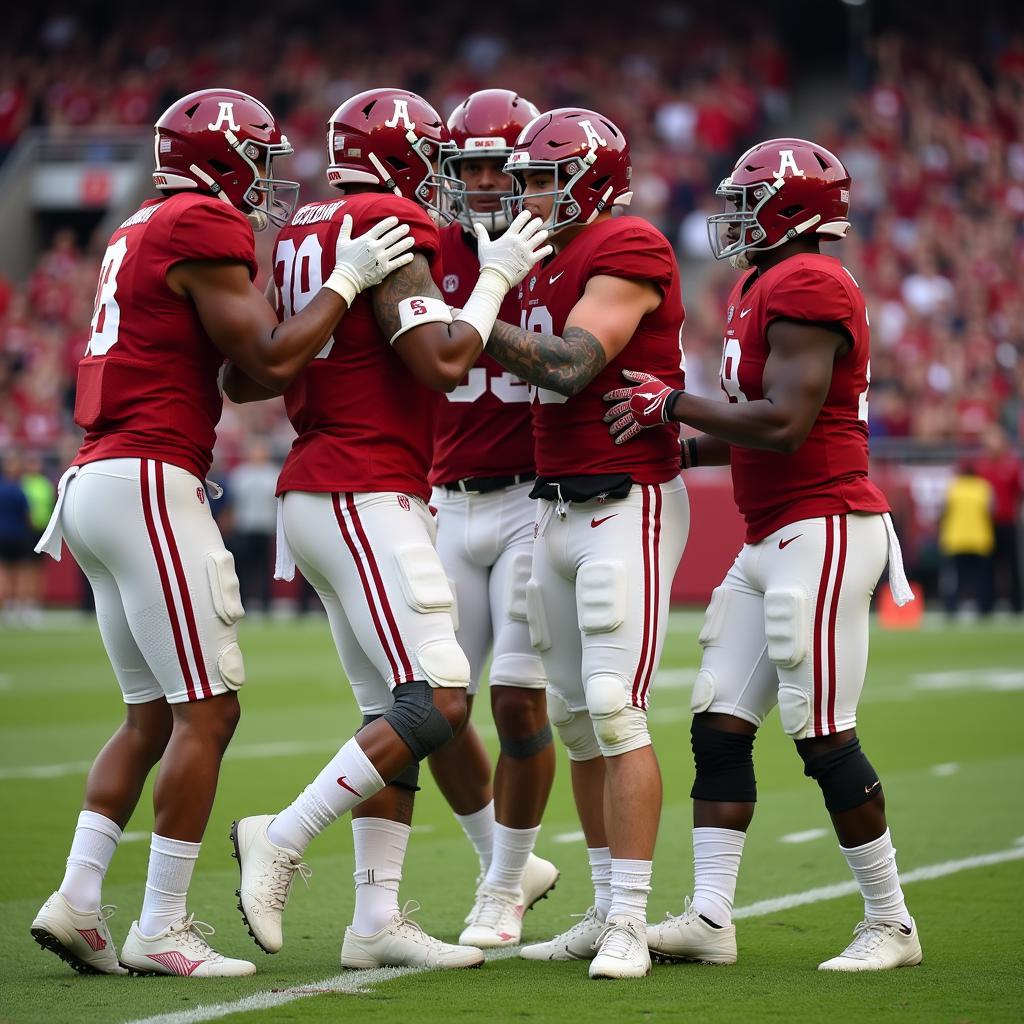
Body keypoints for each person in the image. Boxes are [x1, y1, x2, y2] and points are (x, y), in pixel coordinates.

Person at [29, 87, 415, 978]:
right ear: (224, 157)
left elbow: (242, 368)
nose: (268, 180)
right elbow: (272, 360)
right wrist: (346, 283)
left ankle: (79, 899)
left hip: (97, 478)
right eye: (260, 158)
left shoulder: (142, 223)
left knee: (152, 714)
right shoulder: (201, 222)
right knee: (210, 708)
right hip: (148, 479)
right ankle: (161, 923)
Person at [227, 87, 552, 971]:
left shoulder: (303, 228)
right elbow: (444, 362)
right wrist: (493, 278)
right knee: (441, 697)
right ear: (409, 159)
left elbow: (251, 371)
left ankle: (376, 922)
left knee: (393, 713)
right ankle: (282, 835)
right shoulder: (385, 216)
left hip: (329, 483)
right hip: (361, 486)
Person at [603, 137, 922, 972]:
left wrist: (672, 404)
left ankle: (891, 921)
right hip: (770, 531)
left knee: (822, 733)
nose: (735, 220)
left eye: (749, 202)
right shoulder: (760, 283)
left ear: (791, 210)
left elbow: (784, 422)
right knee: (718, 723)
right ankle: (711, 917)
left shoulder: (807, 281)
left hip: (823, 526)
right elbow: (765, 430)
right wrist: (681, 445)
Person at [480, 108, 689, 979]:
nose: (530, 195)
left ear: (593, 180)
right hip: (554, 503)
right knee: (572, 719)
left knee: (614, 705)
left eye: (543, 178)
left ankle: (633, 921)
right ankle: (604, 903)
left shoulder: (628, 243)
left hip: (625, 499)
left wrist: (461, 313)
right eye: (524, 179)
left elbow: (570, 364)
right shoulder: (545, 257)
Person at [425, 88, 559, 949]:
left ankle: (505, 883)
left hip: (527, 500)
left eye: (494, 167)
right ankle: (503, 861)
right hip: (445, 495)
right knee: (430, 708)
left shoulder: (560, 251)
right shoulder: (425, 248)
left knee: (514, 700)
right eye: (465, 165)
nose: (477, 182)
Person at [226, 440, 280, 614]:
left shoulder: (273, 473)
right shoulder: (240, 474)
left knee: (265, 568)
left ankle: (265, 604)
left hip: (266, 526)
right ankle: (242, 601)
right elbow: (233, 502)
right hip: (245, 526)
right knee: (243, 567)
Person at [976, 423, 1022, 613]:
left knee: (1011, 564)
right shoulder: (982, 467)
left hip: (1007, 522)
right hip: (987, 523)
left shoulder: (1011, 465)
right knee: (988, 566)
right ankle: (987, 605)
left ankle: (1016, 604)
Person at [939, 461, 995, 616]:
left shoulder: (953, 488)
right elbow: (991, 511)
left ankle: (951, 607)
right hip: (979, 539)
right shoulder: (983, 487)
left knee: (955, 578)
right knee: (982, 578)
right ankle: (984, 607)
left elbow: (944, 511)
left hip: (956, 539)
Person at [0, 452, 31, 622]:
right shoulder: (19, 490)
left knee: (4, 574)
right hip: (18, 535)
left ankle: (7, 611)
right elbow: (28, 516)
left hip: (2, 535)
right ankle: (22, 610)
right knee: (21, 573)